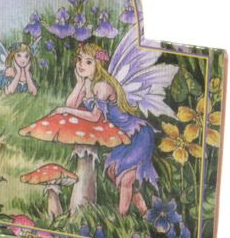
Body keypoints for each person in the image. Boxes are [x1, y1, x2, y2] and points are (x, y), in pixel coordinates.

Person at [52, 42, 155, 215]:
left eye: (88, 62)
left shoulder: (102, 86)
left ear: (98, 65)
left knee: (125, 179)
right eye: (79, 59)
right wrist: (79, 83)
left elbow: (94, 117)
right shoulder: (88, 84)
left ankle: (122, 219)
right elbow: (71, 104)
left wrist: (65, 110)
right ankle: (145, 213)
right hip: (124, 138)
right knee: (115, 175)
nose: (81, 64)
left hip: (137, 134)